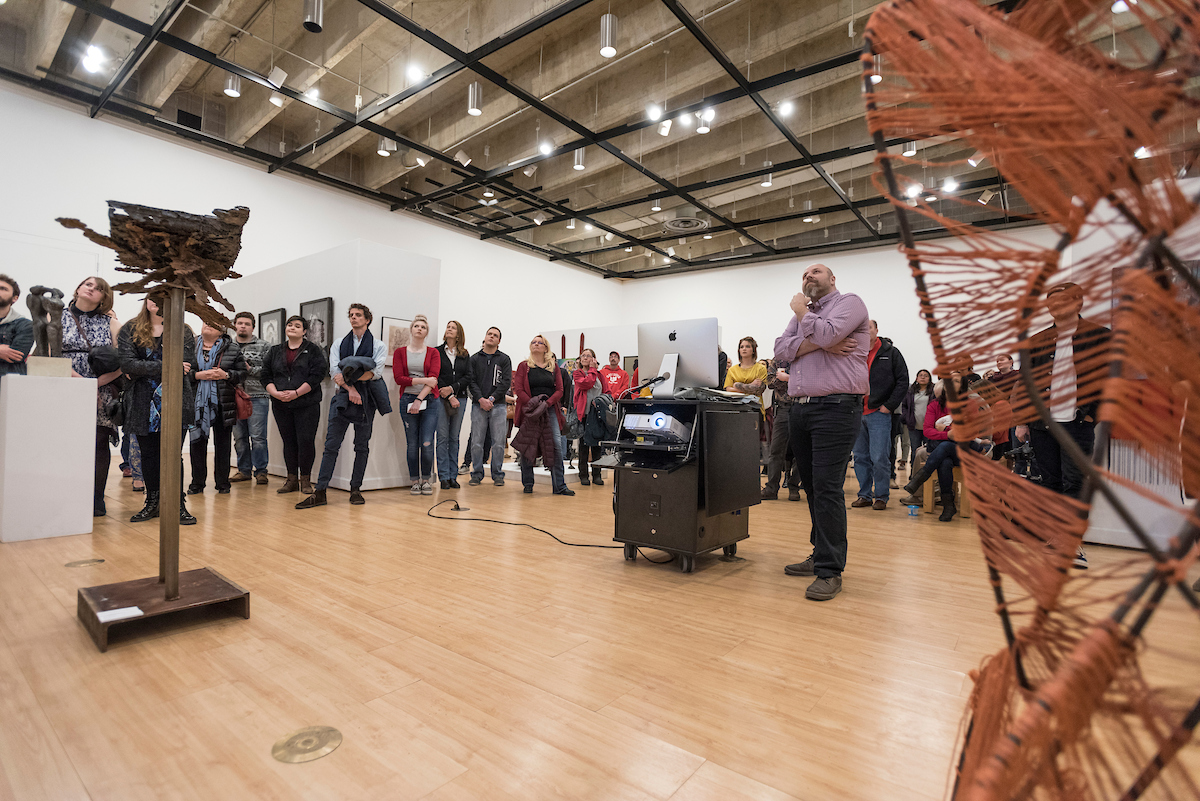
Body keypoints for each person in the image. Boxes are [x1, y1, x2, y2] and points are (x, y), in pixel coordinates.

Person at [773, 263, 869, 601]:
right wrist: (820, 342)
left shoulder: (850, 303)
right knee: (813, 487)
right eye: (805, 274)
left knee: (827, 488)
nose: (808, 276)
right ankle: (819, 554)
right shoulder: (809, 315)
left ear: (832, 279)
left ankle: (830, 571)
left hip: (836, 408)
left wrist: (802, 313)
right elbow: (780, 350)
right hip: (800, 408)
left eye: (816, 271)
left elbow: (829, 334)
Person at [1012, 282, 1111, 569]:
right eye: (1052, 302)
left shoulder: (1099, 336)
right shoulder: (1038, 340)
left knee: (1075, 482)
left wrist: (1094, 414)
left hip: (1078, 423)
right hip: (1043, 423)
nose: (1057, 307)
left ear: (1079, 302)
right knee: (1050, 482)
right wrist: (1022, 419)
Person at [298, 303, 388, 508]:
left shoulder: (378, 346)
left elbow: (375, 374)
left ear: (367, 319)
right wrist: (352, 390)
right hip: (343, 398)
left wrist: (357, 387)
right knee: (331, 446)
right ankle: (320, 492)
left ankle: (356, 489)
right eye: (351, 315)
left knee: (361, 446)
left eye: (358, 315)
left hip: (367, 400)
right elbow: (335, 373)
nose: (353, 318)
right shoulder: (339, 343)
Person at [118, 297, 199, 525]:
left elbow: (186, 365)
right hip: (143, 401)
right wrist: (168, 366)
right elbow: (127, 364)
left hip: (175, 399)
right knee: (149, 454)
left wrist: (143, 369)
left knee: (173, 455)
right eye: (153, 297)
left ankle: (177, 504)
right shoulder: (130, 328)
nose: (157, 302)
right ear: (146, 301)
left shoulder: (182, 330)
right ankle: (153, 502)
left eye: (163, 297)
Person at [62, 276, 122, 516]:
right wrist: (81, 383)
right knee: (67, 442)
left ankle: (97, 498)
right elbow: (48, 355)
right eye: (88, 284)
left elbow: (124, 362)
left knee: (98, 443)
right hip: (64, 385)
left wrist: (95, 384)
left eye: (99, 289)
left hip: (102, 389)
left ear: (104, 297)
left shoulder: (112, 324)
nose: (92, 290)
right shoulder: (56, 317)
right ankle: (66, 493)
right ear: (78, 288)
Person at [261, 315, 327, 494]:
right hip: (281, 404)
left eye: (297, 326)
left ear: (304, 331)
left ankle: (305, 480)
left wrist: (296, 393)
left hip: (307, 403)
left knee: (305, 441)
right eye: (290, 325)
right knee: (288, 442)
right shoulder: (275, 350)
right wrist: (274, 393)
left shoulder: (313, 350)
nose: (292, 328)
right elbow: (265, 374)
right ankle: (291, 480)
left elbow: (317, 375)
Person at [850, 321, 909, 511]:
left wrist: (889, 406)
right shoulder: (853, 352)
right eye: (861, 328)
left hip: (879, 413)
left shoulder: (891, 353)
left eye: (868, 327)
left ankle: (881, 496)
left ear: (876, 330)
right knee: (859, 457)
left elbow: (903, 381)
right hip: (857, 412)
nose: (865, 331)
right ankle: (864, 495)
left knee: (879, 457)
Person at [187, 322, 247, 495]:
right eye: (205, 322)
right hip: (196, 402)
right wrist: (198, 375)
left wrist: (226, 375)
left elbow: (242, 373)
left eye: (213, 324)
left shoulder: (232, 348)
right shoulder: (189, 346)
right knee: (197, 443)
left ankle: (222, 483)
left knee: (223, 445)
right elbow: (179, 372)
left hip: (223, 401)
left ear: (222, 330)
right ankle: (197, 483)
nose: (208, 325)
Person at [512, 334, 573, 496]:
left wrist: (546, 404)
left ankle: (559, 485)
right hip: (530, 410)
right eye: (534, 342)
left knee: (555, 445)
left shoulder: (553, 367)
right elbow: (519, 390)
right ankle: (528, 484)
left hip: (550, 409)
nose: (536, 344)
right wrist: (534, 403)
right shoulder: (523, 366)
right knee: (527, 445)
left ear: (546, 348)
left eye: (540, 342)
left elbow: (560, 390)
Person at [393, 315, 441, 496]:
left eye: (423, 327)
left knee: (427, 442)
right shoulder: (400, 352)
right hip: (406, 400)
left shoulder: (433, 353)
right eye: (416, 326)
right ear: (411, 329)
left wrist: (419, 399)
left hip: (429, 401)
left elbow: (434, 380)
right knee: (412, 443)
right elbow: (399, 379)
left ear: (426, 332)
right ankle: (414, 480)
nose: (419, 329)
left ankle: (426, 480)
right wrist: (423, 379)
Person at [901, 379, 961, 521]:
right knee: (944, 462)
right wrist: (948, 434)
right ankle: (948, 506)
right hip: (941, 451)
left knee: (944, 446)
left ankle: (920, 478)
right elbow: (928, 431)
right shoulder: (934, 406)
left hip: (963, 450)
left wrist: (945, 430)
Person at [229, 311, 271, 485]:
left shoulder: (264, 346)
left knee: (258, 437)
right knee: (239, 437)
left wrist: (249, 369)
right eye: (239, 323)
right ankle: (243, 470)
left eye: (247, 324)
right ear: (235, 326)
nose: (243, 326)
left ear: (253, 327)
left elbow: (270, 372)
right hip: (233, 396)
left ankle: (261, 471)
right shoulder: (228, 346)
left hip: (258, 396)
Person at [468, 327, 512, 486]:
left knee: (499, 442)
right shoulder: (473, 359)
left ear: (499, 341)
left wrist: (492, 398)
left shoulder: (504, 359)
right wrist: (481, 399)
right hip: (478, 406)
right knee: (477, 442)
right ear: (485, 337)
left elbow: (506, 382)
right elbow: (471, 382)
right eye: (489, 334)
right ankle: (476, 473)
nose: (492, 337)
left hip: (498, 406)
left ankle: (498, 474)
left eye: (495, 336)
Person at [435, 320, 471, 490]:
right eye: (448, 327)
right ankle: (443, 476)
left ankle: (452, 475)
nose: (449, 329)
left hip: (461, 398)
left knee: (454, 438)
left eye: (453, 328)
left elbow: (468, 377)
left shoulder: (464, 354)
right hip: (440, 398)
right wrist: (448, 394)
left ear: (458, 334)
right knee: (442, 437)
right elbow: (435, 374)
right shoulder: (436, 352)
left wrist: (453, 388)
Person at [761, 355, 801, 501]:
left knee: (800, 451)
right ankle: (771, 488)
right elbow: (770, 382)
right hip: (782, 409)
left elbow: (808, 381)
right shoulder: (777, 360)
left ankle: (794, 486)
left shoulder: (805, 358)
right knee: (775, 450)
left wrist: (787, 378)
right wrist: (789, 379)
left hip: (801, 406)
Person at [572, 349, 604, 486]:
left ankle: (597, 475)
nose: (585, 358)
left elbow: (606, 390)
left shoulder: (600, 375)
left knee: (597, 447)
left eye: (588, 356)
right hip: (583, 414)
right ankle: (583, 475)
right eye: (583, 356)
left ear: (594, 359)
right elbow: (587, 383)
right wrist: (592, 369)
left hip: (597, 414)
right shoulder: (577, 373)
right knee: (583, 447)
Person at [899, 369, 934, 482]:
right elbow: (904, 406)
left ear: (929, 378)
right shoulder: (910, 391)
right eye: (921, 375)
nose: (923, 377)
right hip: (914, 426)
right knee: (915, 451)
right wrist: (905, 417)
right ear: (916, 378)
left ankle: (927, 475)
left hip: (929, 427)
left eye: (926, 376)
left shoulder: (933, 392)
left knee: (928, 450)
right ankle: (914, 475)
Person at [0, 273, 33, 383]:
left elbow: (16, 355)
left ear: (15, 298)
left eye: (3, 289)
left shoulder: (25, 325)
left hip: (8, 387)